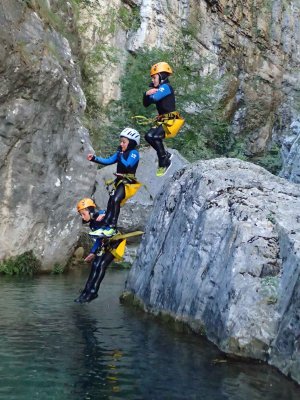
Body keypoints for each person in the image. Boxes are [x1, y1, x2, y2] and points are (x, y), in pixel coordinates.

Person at [87, 127, 141, 238]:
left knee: (116, 200)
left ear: (131, 143)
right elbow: (108, 161)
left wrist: (120, 155)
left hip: (128, 184)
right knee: (111, 202)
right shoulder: (120, 153)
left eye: (124, 142)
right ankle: (105, 226)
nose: (121, 144)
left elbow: (128, 165)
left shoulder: (134, 153)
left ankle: (112, 227)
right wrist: (94, 158)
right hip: (119, 182)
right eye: (121, 142)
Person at [74, 198, 126, 304]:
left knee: (101, 265)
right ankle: (86, 291)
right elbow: (99, 239)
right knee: (95, 265)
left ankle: (93, 291)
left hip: (116, 242)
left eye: (83, 214)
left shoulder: (100, 215)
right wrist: (92, 253)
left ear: (90, 211)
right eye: (81, 215)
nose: (82, 217)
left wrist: (106, 214)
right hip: (105, 243)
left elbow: (111, 211)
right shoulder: (92, 224)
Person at [143, 61, 184, 177]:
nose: (152, 80)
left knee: (155, 136)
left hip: (172, 119)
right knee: (148, 136)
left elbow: (155, 98)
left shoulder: (166, 87)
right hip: (163, 119)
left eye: (154, 77)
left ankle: (164, 161)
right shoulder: (160, 87)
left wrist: (149, 94)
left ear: (161, 76)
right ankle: (165, 154)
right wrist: (146, 93)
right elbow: (146, 103)